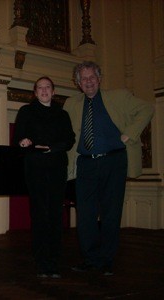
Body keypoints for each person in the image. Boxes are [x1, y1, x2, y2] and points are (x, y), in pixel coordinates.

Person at [64, 61, 154, 276]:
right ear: (78, 83)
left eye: (92, 77)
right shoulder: (71, 104)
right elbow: (62, 130)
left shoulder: (119, 96)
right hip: (85, 163)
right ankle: (90, 259)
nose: (88, 82)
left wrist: (130, 133)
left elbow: (147, 109)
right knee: (85, 214)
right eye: (83, 79)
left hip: (113, 162)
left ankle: (106, 260)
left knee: (111, 213)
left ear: (99, 79)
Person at [13, 76, 75, 278]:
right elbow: (19, 137)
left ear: (53, 91)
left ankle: (54, 260)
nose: (44, 90)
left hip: (57, 167)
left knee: (55, 213)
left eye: (47, 87)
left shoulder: (62, 114)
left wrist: (53, 148)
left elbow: (69, 139)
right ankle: (41, 261)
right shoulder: (26, 111)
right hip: (36, 168)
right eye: (40, 88)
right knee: (39, 213)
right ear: (35, 92)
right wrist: (24, 141)